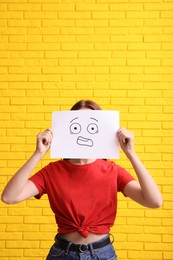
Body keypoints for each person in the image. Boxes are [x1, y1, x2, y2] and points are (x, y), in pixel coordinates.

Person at [1, 99, 162, 260]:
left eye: (91, 127)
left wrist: (131, 154)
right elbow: (9, 197)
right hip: (62, 254)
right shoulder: (52, 171)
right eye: (77, 127)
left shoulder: (113, 171)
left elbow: (154, 201)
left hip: (102, 254)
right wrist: (38, 153)